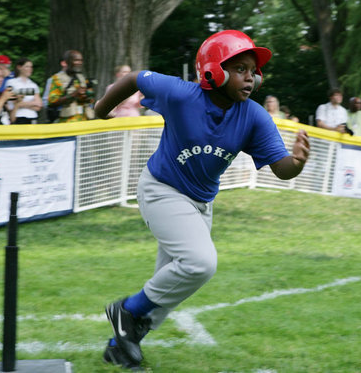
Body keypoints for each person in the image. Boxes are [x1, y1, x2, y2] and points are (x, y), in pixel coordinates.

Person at [94, 29, 310, 370]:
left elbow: (281, 169)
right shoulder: (181, 94)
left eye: (253, 70)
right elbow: (135, 78)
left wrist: (296, 163)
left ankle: (121, 345)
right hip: (161, 189)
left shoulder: (253, 116)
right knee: (200, 262)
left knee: (173, 280)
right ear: (213, 70)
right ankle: (126, 311)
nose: (250, 77)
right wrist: (101, 107)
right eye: (240, 68)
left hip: (201, 202)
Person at [47, 50, 95, 122]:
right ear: (67, 62)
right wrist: (74, 94)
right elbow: (52, 102)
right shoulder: (57, 78)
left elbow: (91, 100)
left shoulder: (81, 78)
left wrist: (86, 96)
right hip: (67, 122)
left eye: (81, 60)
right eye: (76, 60)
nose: (80, 63)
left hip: (84, 120)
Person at [5, 57, 42, 124]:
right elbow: (12, 102)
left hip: (32, 116)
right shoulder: (11, 83)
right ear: (19, 67)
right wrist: (32, 103)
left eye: (31, 67)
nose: (30, 69)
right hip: (18, 116)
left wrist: (20, 104)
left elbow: (38, 105)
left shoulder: (33, 85)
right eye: (27, 67)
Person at [42, 57, 67, 122]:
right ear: (63, 63)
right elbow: (45, 101)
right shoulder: (54, 79)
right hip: (59, 117)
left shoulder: (78, 79)